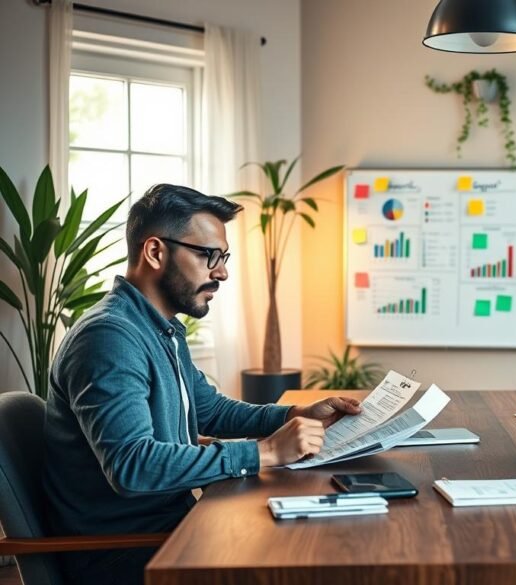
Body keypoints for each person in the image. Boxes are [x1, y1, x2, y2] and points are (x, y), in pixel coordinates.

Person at [43, 184, 363, 585]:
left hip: (171, 530)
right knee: (311, 556)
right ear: (156, 252)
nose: (222, 272)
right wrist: (264, 452)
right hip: (125, 554)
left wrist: (295, 414)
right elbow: (132, 466)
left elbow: (209, 410)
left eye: (223, 257)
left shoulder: (161, 330)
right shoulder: (110, 337)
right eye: (208, 255)